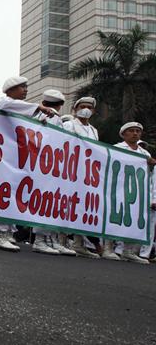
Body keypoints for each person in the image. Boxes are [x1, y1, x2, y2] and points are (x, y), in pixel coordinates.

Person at [0, 76, 58, 251]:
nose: (26, 90)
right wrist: (39, 107)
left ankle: (7, 232)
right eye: (22, 87)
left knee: (15, 193)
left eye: (26, 87)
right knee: (4, 192)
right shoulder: (4, 101)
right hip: (3, 155)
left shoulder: (24, 108)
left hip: (19, 157)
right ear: (10, 89)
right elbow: (5, 107)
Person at [30, 89, 76, 256]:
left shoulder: (53, 117)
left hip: (55, 165)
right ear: (60, 104)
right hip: (45, 164)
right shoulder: (48, 116)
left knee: (54, 202)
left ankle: (51, 238)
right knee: (45, 201)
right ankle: (40, 240)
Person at [62, 96, 101, 258]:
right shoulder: (68, 125)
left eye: (89, 107)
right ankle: (61, 240)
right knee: (66, 205)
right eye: (82, 106)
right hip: (69, 171)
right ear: (75, 109)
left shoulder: (94, 130)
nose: (85, 109)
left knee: (83, 208)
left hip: (87, 174)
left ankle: (79, 244)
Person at [110, 122, 155, 264]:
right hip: (119, 189)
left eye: (137, 131)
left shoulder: (145, 154)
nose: (135, 133)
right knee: (117, 218)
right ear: (124, 134)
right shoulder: (117, 148)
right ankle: (112, 248)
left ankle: (129, 251)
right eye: (131, 131)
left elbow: (151, 177)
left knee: (136, 221)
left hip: (138, 192)